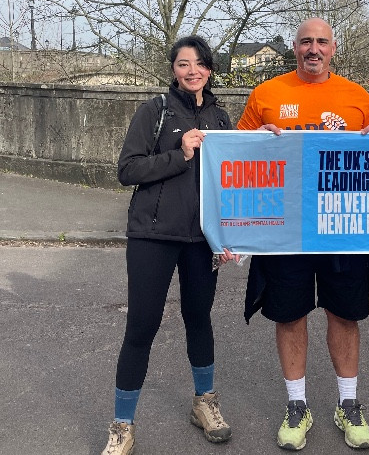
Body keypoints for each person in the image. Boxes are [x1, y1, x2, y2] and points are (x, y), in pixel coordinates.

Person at [231, 17, 369, 451]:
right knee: (289, 314)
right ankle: (297, 405)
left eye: (321, 42)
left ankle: (348, 404)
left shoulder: (357, 96)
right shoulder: (266, 93)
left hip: (342, 225)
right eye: (305, 42)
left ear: (333, 48)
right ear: (294, 48)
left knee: (345, 314)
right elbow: (234, 154)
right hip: (285, 226)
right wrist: (255, 138)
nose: (313, 49)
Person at [102, 35, 235, 455]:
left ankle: (204, 403)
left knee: (199, 319)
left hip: (202, 241)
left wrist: (231, 234)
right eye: (183, 64)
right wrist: (181, 155)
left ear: (210, 69)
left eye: (200, 63)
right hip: (153, 235)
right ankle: (122, 426)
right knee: (142, 326)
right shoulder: (154, 110)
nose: (192, 71)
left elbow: (233, 182)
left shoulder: (221, 117)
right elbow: (127, 169)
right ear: (173, 69)